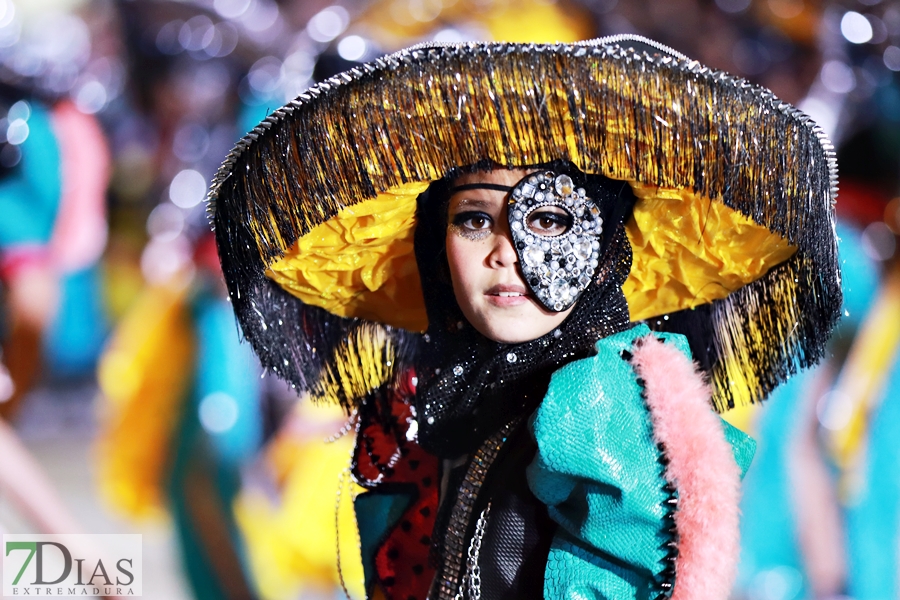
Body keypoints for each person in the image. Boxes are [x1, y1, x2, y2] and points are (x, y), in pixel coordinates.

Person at [208, 36, 842, 600]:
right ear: (437, 244)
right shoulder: (450, 392)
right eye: (475, 218)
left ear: (607, 245)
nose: (505, 251)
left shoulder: (596, 405)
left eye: (547, 220)